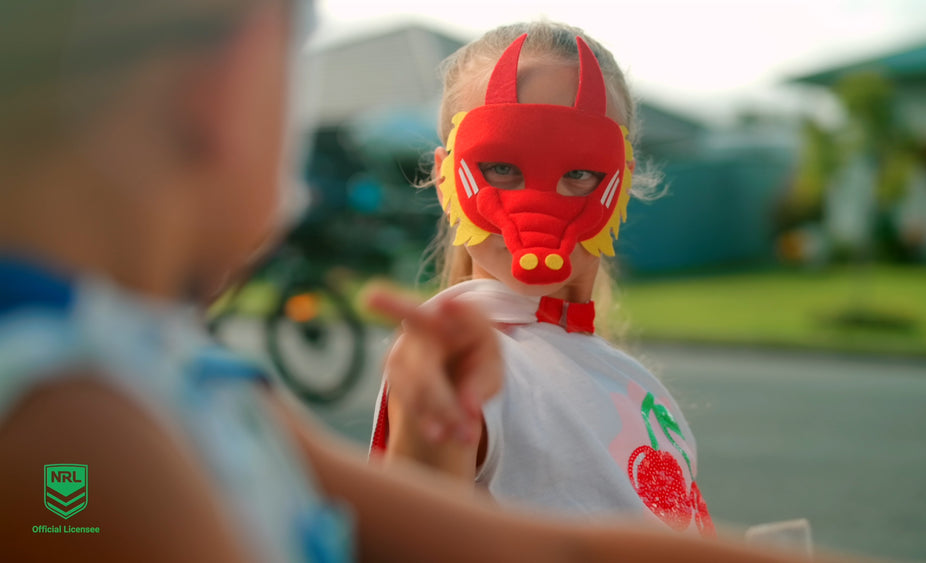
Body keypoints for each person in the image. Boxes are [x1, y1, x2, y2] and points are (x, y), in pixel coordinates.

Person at [0, 1, 828, 561]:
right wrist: (435, 442)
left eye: (581, 173)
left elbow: (557, 547)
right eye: (501, 167)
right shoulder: (74, 421)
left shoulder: (177, 377)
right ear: (229, 82)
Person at [371, 22, 714, 536]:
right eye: (500, 168)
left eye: (579, 174)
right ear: (445, 180)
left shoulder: (632, 385)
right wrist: (429, 425)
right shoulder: (463, 362)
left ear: (622, 179)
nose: (540, 202)